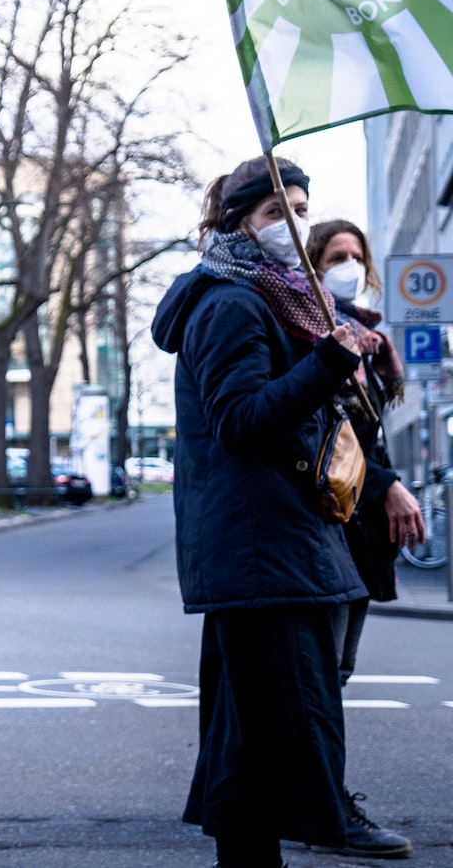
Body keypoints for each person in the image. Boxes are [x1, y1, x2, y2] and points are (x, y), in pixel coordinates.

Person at [151, 155, 371, 868]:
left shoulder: (273, 298)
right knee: (287, 730)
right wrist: (328, 364)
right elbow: (241, 421)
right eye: (278, 212)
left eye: (302, 209)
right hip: (261, 548)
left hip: (269, 546)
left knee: (250, 739)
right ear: (237, 222)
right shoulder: (232, 302)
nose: (295, 224)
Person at [305, 218, 419, 859]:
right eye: (335, 256)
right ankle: (323, 805)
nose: (347, 264)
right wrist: (389, 485)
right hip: (333, 518)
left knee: (334, 671)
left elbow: (366, 434)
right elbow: (329, 436)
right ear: (314, 264)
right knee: (321, 673)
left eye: (355, 255)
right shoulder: (317, 328)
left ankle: (316, 798)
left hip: (358, 521)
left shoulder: (369, 334)